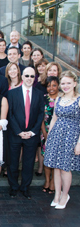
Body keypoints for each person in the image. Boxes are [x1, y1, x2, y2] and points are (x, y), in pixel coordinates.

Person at [44, 71, 80, 209]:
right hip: (56, 135)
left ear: (75, 84)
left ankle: (65, 195)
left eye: (68, 83)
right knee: (56, 167)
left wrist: (79, 143)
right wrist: (48, 138)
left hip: (71, 136)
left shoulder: (78, 100)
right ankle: (57, 195)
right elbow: (54, 119)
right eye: (63, 83)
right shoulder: (58, 99)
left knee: (65, 168)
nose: (65, 86)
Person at [7, 67, 45, 199]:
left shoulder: (39, 94)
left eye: (32, 76)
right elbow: (9, 114)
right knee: (13, 163)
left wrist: (33, 132)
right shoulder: (12, 93)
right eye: (27, 75)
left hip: (31, 136)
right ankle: (13, 187)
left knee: (28, 164)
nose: (29, 78)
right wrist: (19, 132)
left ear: (34, 78)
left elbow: (41, 114)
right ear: (22, 76)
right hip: (15, 134)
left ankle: (25, 187)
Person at [40, 76, 60, 194]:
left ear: (58, 86)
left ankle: (53, 182)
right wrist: (44, 133)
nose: (51, 88)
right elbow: (41, 118)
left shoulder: (62, 99)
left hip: (60, 133)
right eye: (48, 86)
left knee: (56, 159)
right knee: (47, 158)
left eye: (54, 85)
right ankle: (47, 180)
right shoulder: (43, 99)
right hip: (45, 132)